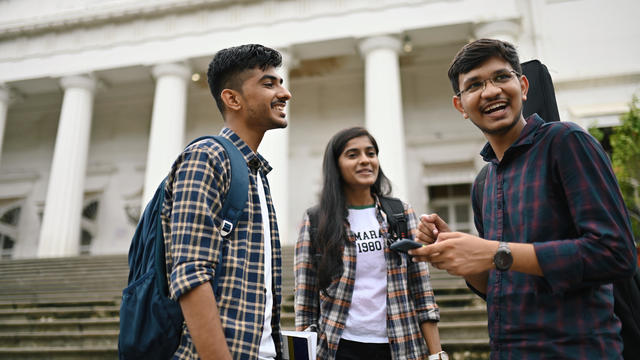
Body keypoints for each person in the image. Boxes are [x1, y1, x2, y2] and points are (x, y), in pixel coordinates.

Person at [409, 38, 638, 358]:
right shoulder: (484, 183)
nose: (490, 91)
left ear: (523, 85)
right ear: (460, 106)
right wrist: (461, 255)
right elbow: (501, 287)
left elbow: (615, 254)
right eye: (474, 85)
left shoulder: (566, 143)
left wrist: (494, 252)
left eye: (501, 77)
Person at [162, 44, 292, 360]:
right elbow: (191, 273)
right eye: (269, 83)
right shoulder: (207, 157)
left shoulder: (256, 171)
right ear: (232, 99)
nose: (285, 93)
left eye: (280, 82)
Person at [294, 127, 446, 360]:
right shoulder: (316, 219)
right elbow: (305, 301)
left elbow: (421, 290)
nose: (365, 160)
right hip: (339, 346)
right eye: (353, 154)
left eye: (370, 153)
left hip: (400, 345)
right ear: (336, 165)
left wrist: (437, 354)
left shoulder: (400, 214)